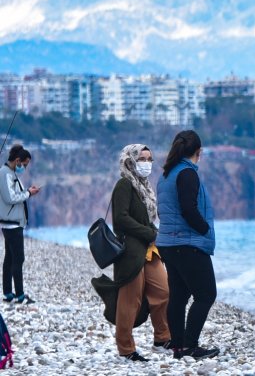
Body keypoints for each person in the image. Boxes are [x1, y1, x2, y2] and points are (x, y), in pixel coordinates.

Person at [156, 130, 219, 360]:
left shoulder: (165, 175)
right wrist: (204, 229)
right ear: (198, 152)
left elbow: (164, 210)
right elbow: (188, 209)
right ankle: (190, 346)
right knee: (206, 295)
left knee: (179, 296)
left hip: (168, 243)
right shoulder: (187, 174)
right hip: (188, 243)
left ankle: (178, 347)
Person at [111, 144, 171, 362]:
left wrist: (154, 233)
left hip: (149, 249)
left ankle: (162, 338)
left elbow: (146, 219)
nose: (147, 163)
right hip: (131, 251)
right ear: (130, 160)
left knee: (162, 290)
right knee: (130, 300)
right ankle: (126, 349)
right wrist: (149, 232)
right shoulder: (124, 185)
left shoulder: (144, 187)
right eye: (142, 159)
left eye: (150, 159)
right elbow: (121, 219)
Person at [0, 144, 41, 305]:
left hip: (12, 223)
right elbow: (10, 198)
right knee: (18, 258)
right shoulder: (5, 174)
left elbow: (15, 194)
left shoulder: (9, 173)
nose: (24, 168)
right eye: (24, 165)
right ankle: (20, 295)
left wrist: (27, 192)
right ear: (17, 160)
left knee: (10, 258)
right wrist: (28, 193)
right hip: (12, 224)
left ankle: (9, 293)